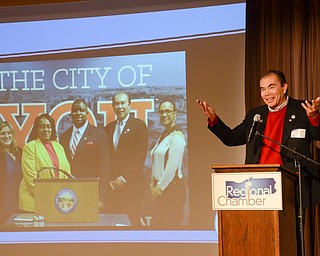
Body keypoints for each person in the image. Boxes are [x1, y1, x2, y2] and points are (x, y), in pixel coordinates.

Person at [197, 69, 320, 209]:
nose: (266, 93)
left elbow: (318, 135)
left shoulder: (303, 109)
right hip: (257, 187)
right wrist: (214, 120)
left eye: (271, 87)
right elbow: (232, 139)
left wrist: (314, 117)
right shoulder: (255, 115)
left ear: (284, 87)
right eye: (262, 89)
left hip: (291, 185)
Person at [104, 92, 148, 226]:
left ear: (129, 105)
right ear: (112, 106)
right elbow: (106, 158)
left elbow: (139, 157)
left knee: (132, 224)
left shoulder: (139, 126)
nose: (120, 107)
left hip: (133, 186)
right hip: (113, 188)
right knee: (113, 226)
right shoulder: (108, 129)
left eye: (123, 103)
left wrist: (123, 178)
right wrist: (110, 180)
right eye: (116, 103)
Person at [59, 99, 111, 210]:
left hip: (91, 191)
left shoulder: (99, 135)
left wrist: (101, 197)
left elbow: (105, 167)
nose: (78, 113)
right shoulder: (64, 137)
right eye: (75, 110)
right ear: (71, 113)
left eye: (81, 110)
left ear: (87, 113)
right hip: (69, 194)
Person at [19, 113, 71, 212]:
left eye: (48, 126)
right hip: (34, 203)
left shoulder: (58, 147)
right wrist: (50, 198)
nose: (46, 130)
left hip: (57, 202)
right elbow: (31, 179)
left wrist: (63, 196)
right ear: (36, 130)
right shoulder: (30, 147)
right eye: (42, 127)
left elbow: (66, 174)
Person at [149, 100, 186, 228]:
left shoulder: (177, 137)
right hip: (160, 190)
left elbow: (171, 169)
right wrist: (151, 185)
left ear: (175, 113)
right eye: (161, 112)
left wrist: (158, 190)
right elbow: (155, 162)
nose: (164, 114)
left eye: (168, 111)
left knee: (170, 229)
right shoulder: (164, 135)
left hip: (171, 191)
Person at [0, 120, 22, 226]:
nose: (6, 136)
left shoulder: (19, 153)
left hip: (21, 203)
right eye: (3, 133)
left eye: (9, 133)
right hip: (4, 203)